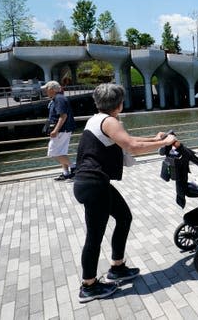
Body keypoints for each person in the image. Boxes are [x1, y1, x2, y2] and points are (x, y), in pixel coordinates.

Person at [73, 83, 177, 303]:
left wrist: (158, 139)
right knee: (94, 236)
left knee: (124, 217)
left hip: (93, 183)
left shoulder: (99, 119)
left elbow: (130, 140)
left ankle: (117, 267)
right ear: (119, 104)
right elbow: (131, 146)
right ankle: (89, 285)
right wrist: (166, 142)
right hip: (94, 185)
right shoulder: (109, 121)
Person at [42, 80, 77, 181]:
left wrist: (55, 130)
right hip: (63, 129)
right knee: (61, 152)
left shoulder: (59, 99)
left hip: (62, 130)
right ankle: (66, 173)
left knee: (52, 152)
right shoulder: (58, 98)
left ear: (52, 89)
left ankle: (74, 166)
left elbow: (63, 116)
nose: (46, 91)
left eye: (47, 88)